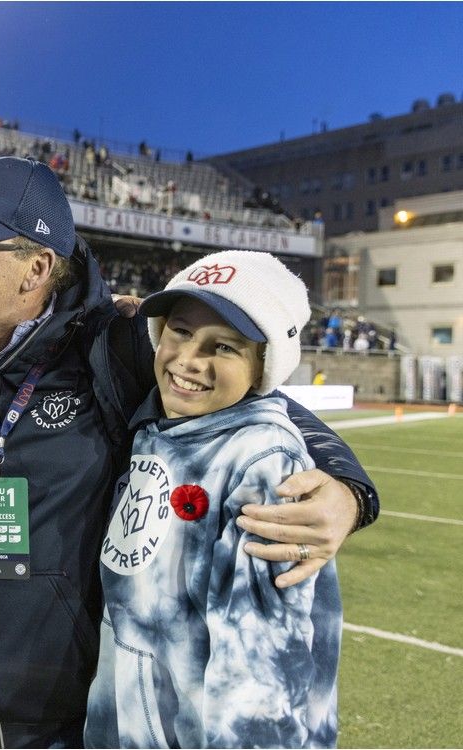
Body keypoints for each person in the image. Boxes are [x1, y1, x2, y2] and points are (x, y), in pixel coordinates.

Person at [0, 158, 376, 748]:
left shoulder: (111, 351)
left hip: (69, 724)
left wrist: (347, 489)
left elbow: (260, 402)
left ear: (35, 268)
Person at [85, 251, 341, 748]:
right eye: (179, 332)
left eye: (223, 347)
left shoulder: (264, 463)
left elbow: (261, 669)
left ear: (264, 366)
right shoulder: (161, 428)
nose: (188, 360)